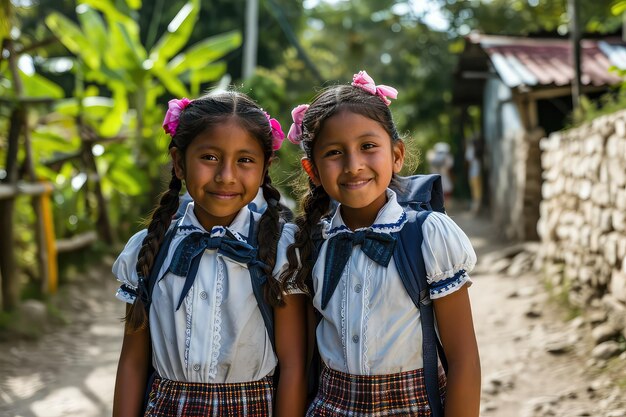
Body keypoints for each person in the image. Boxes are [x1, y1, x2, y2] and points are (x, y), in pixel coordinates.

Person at [281, 71, 481, 416]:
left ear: (397, 155)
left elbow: (464, 360)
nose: (354, 165)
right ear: (312, 170)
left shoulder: (428, 235)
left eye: (368, 147)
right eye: (333, 153)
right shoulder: (311, 244)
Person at [111, 91, 307, 417]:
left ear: (264, 168)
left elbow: (294, 366)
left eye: (245, 160)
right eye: (210, 158)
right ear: (178, 162)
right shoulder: (149, 248)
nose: (226, 176)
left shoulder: (280, 248)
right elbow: (132, 361)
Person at [464, 133, 483, 216]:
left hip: (473, 174)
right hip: (478, 173)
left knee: (475, 192)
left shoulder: (470, 149)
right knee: (478, 192)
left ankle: (475, 210)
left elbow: (468, 161)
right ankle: (477, 209)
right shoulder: (478, 150)